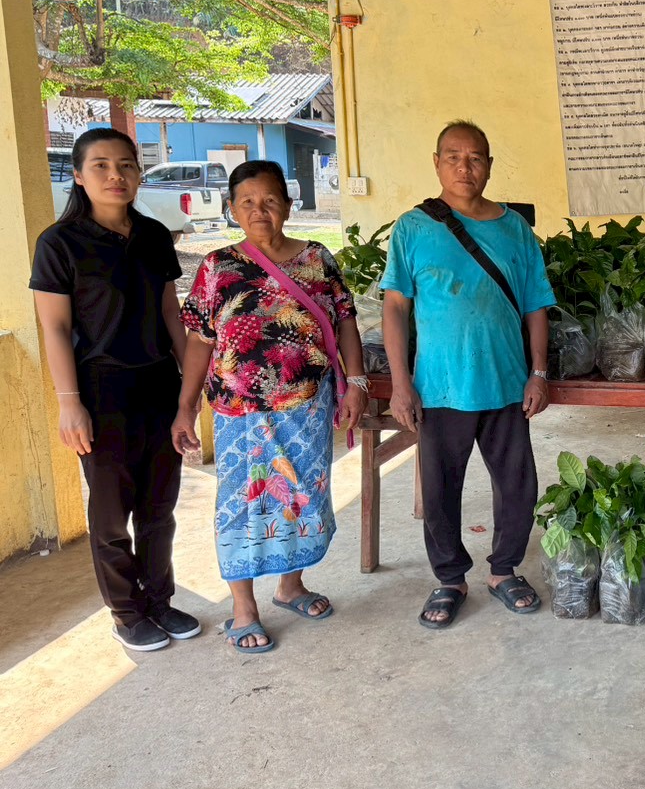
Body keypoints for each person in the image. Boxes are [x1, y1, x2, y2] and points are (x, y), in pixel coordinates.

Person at [172, 160, 367, 654]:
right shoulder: (218, 267)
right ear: (232, 208)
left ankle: (290, 587)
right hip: (239, 414)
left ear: (288, 205)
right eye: (247, 202)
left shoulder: (317, 258)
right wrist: (185, 406)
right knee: (242, 504)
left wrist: (357, 383)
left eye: (270, 201)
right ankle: (243, 609)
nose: (259, 211)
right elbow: (199, 341)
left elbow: (345, 321)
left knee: (301, 497)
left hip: (308, 409)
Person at [381, 120, 554, 629]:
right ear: (436, 163)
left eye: (475, 157)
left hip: (505, 383)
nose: (464, 167)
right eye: (453, 157)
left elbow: (536, 305)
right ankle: (450, 579)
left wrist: (538, 372)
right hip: (439, 387)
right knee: (439, 491)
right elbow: (395, 308)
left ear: (489, 166)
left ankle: (504, 571)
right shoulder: (413, 228)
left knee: (518, 486)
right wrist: (401, 384)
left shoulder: (514, 229)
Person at [30, 128, 198, 652]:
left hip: (159, 383)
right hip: (100, 391)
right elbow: (55, 327)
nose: (115, 175)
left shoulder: (153, 235)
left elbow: (170, 312)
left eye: (125, 164)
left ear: (138, 173)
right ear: (79, 176)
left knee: (158, 508)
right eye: (100, 165)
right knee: (110, 515)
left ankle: (159, 600)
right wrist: (69, 404)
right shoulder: (59, 243)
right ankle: (127, 612)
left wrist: (190, 390)